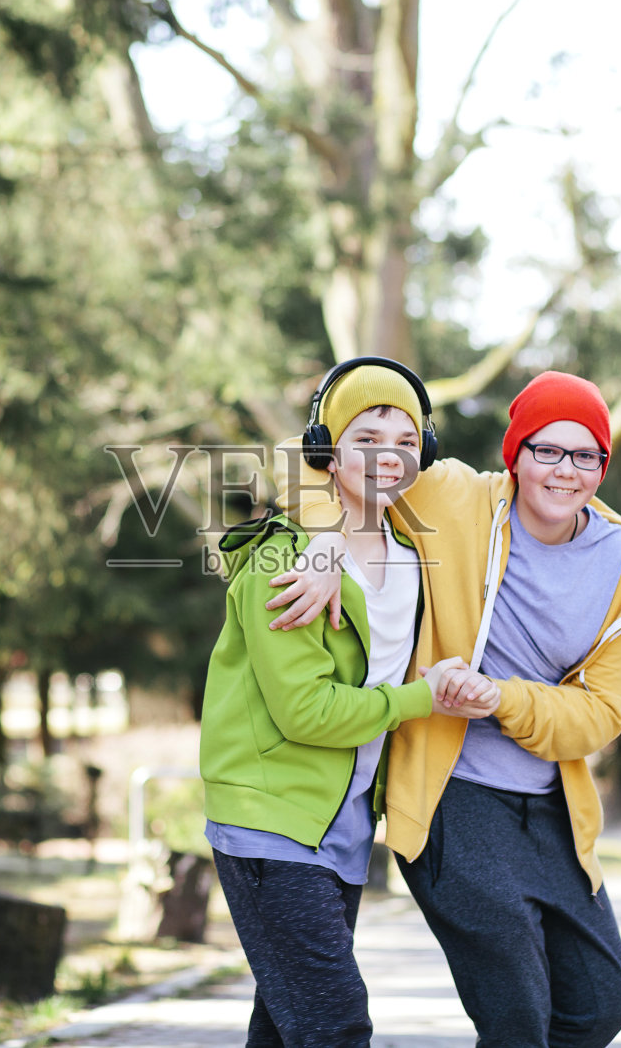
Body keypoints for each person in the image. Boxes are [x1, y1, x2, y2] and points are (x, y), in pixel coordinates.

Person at [270, 369, 621, 1048]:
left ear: (603, 465)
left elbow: (602, 713)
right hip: (453, 793)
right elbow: (311, 463)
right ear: (515, 454)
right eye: (547, 449)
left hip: (553, 804)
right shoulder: (451, 496)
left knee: (600, 1004)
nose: (566, 470)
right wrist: (326, 540)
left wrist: (501, 697)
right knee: (517, 1015)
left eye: (586, 454)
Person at [199, 358, 498, 1048]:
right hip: (271, 819)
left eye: (405, 440)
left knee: (286, 1028)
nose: (387, 454)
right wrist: (422, 697)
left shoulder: (412, 557)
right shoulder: (284, 563)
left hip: (344, 824)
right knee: (335, 1026)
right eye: (366, 438)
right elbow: (305, 711)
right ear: (326, 454)